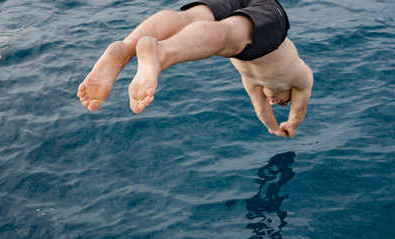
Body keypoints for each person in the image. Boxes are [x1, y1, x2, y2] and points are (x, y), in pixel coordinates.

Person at [77, 0, 313, 139]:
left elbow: (260, 111)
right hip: (270, 15)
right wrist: (287, 127)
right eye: (282, 101)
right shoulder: (302, 79)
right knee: (230, 36)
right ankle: (162, 52)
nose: (273, 101)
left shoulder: (252, 84)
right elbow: (298, 113)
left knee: (191, 17)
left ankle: (126, 48)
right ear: (291, 92)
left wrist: (272, 126)